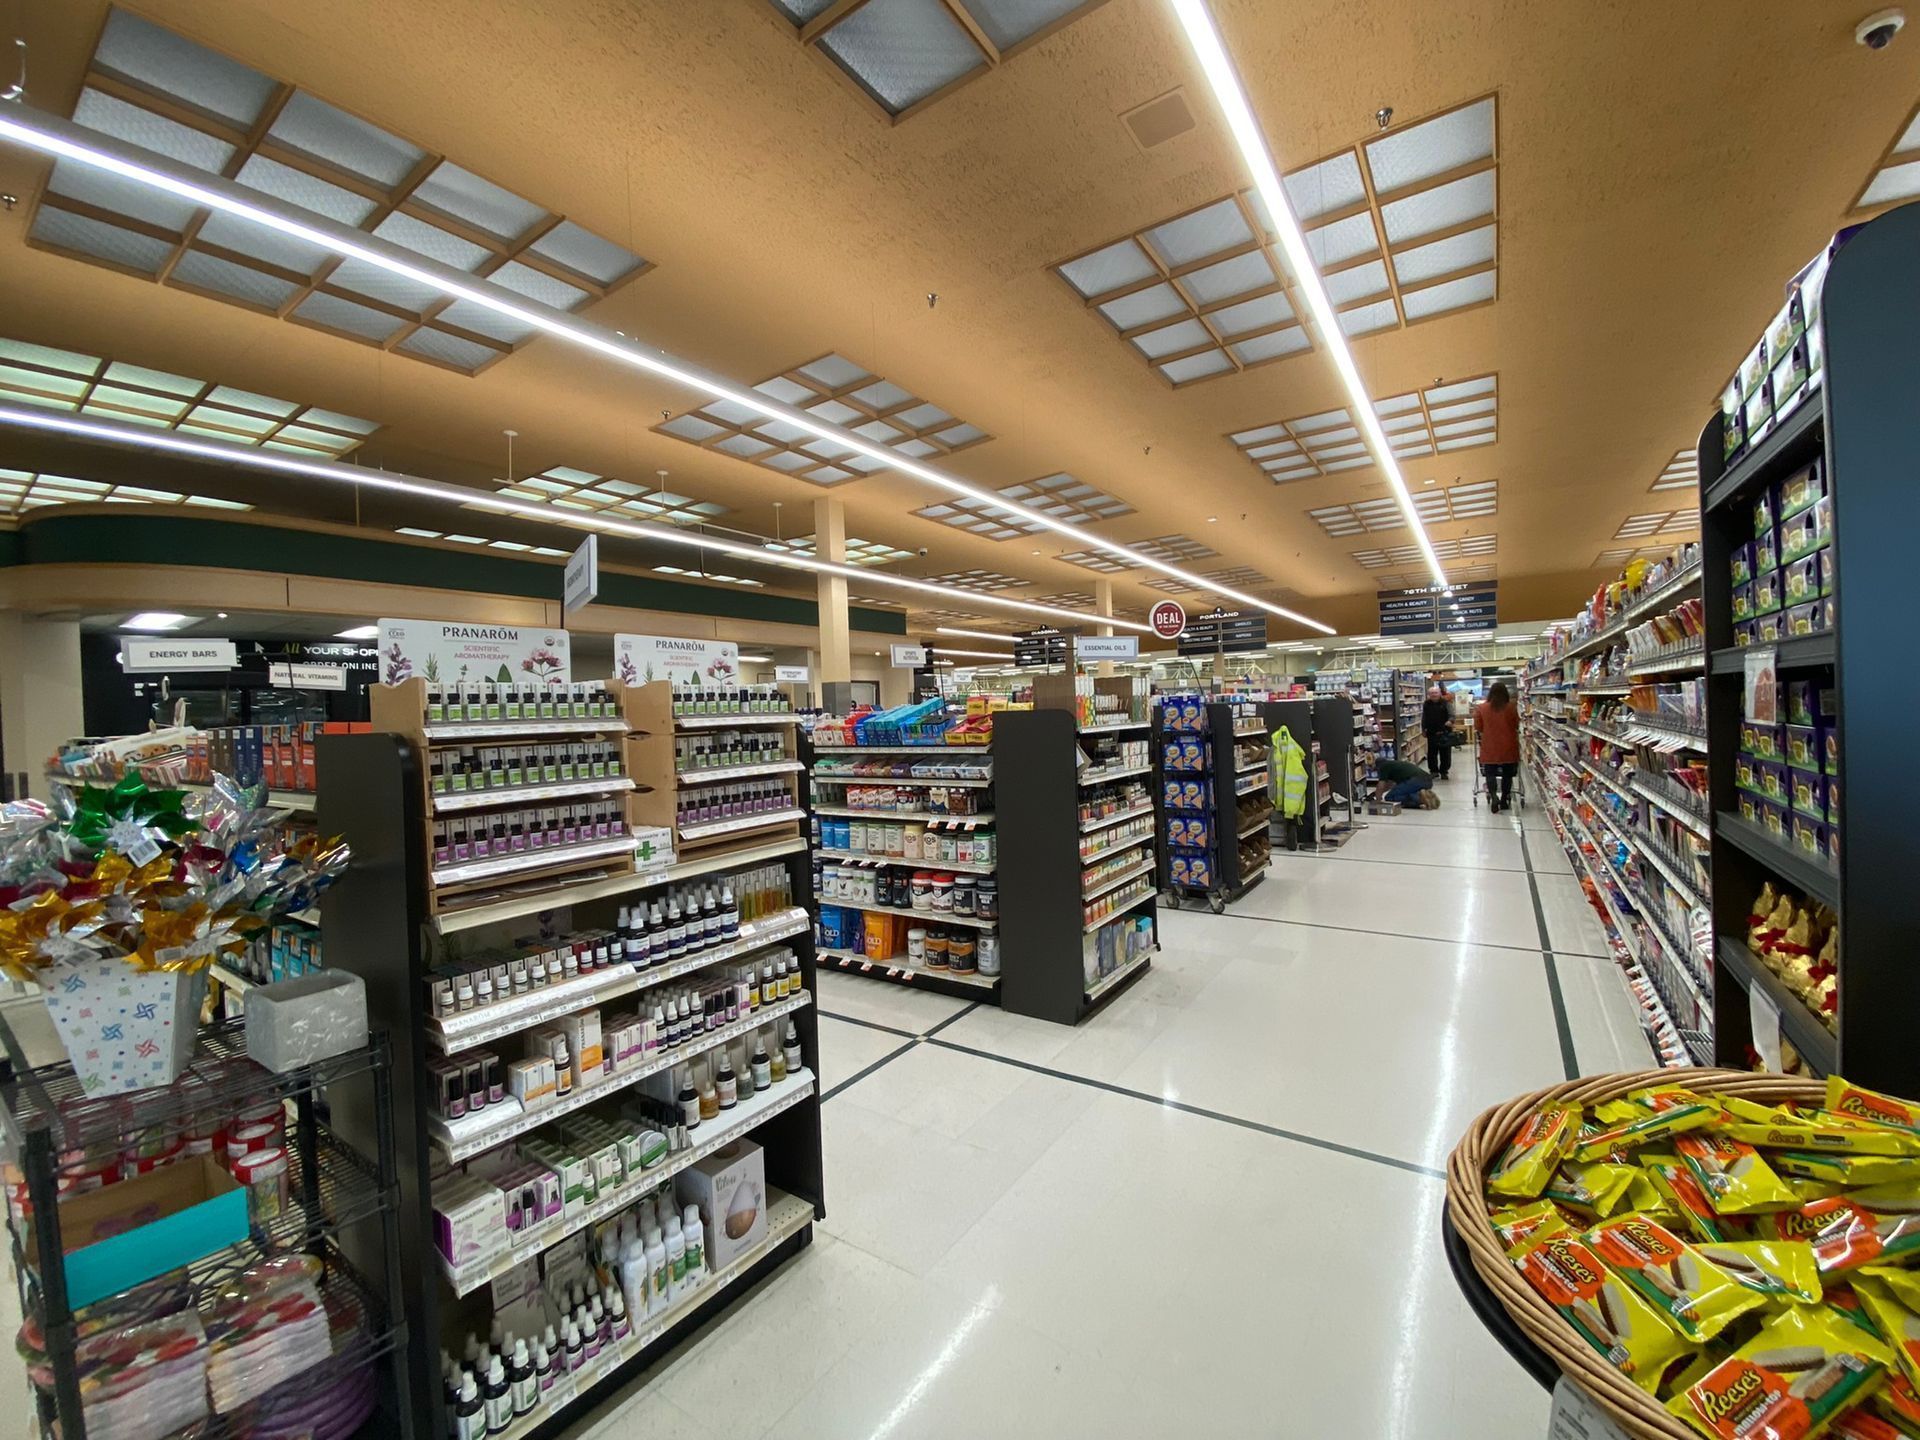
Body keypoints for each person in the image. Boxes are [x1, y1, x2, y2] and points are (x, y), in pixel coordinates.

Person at [1475, 681, 1521, 812]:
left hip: (1490, 745)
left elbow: (1478, 726)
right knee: (1508, 774)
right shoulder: (1511, 707)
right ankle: (1505, 798)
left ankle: (1494, 795)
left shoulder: (1482, 708)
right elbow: (1516, 724)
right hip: (1508, 745)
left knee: (1490, 773)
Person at [1422, 685, 1453, 778]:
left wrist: (1450, 721)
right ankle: (1433, 771)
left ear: (1439, 693)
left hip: (1444, 731)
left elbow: (1452, 713)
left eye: (1435, 693)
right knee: (1431, 753)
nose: (1434, 695)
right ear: (1428, 695)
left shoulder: (1445, 703)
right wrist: (1423, 729)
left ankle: (1444, 771)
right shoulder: (1426, 704)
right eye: (1431, 693)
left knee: (1445, 753)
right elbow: (1424, 717)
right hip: (1431, 732)